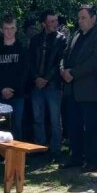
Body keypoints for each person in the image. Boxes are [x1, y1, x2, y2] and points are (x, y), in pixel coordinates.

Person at [59, 5, 97, 170]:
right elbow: (65, 55)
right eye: (79, 18)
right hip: (72, 89)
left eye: (83, 18)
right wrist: (63, 70)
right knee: (73, 125)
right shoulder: (76, 35)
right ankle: (76, 157)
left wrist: (73, 73)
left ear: (93, 18)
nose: (80, 21)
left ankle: (92, 160)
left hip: (89, 91)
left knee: (90, 127)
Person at [27, 11, 65, 163]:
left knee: (55, 119)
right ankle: (40, 148)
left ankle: (56, 149)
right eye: (51, 21)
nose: (55, 24)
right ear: (44, 24)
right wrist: (36, 78)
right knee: (38, 118)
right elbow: (30, 61)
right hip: (37, 84)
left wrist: (46, 79)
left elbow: (59, 62)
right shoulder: (35, 40)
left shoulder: (61, 39)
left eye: (56, 21)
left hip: (53, 84)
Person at [0, 16, 28, 141]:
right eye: (6, 28)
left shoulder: (22, 48)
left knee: (16, 126)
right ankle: (0, 152)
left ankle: (17, 152)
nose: (9, 31)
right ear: (2, 30)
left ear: (16, 29)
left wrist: (13, 90)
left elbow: (25, 72)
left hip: (17, 95)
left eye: (12, 28)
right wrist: (2, 89)